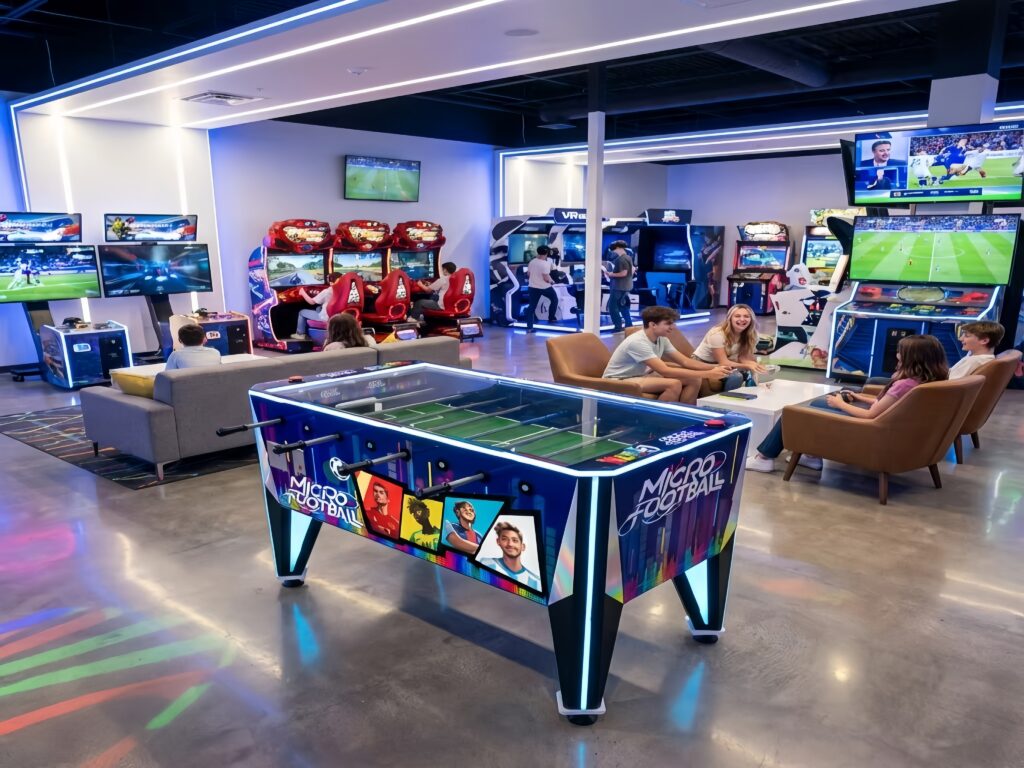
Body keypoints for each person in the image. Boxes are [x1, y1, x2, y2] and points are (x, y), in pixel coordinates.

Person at [746, 334, 949, 473]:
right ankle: (810, 455)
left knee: (794, 413)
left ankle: (764, 458)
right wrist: (859, 397)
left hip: (873, 428)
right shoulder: (928, 380)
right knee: (816, 405)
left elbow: (871, 416)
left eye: (900, 352)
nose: (896, 355)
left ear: (912, 357)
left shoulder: (904, 384)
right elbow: (889, 404)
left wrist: (839, 403)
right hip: (890, 427)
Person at [603, 305, 733, 404]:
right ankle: (663, 422)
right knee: (673, 384)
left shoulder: (662, 339)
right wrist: (708, 374)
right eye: (668, 323)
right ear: (652, 325)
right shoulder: (637, 342)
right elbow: (665, 371)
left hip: (640, 375)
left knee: (694, 379)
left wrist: (715, 368)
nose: (673, 327)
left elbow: (685, 362)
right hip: (619, 380)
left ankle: (685, 415)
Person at [692, 304, 768, 391]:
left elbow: (743, 357)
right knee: (736, 376)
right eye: (737, 316)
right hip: (703, 363)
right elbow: (723, 362)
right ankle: (727, 401)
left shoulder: (752, 335)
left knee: (749, 370)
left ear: (751, 319)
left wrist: (755, 365)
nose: (742, 319)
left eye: (746, 316)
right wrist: (747, 366)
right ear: (730, 318)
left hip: (727, 361)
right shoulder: (717, 334)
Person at [478, 521, 540, 590]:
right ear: (498, 541)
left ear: (523, 547)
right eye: (504, 539)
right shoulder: (486, 563)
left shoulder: (536, 581)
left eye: (515, 540)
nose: (510, 544)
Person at [291, 272, 341, 340]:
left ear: (331, 281)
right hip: (339, 315)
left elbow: (311, 302)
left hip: (326, 317)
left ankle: (300, 334)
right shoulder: (344, 290)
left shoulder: (327, 291)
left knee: (302, 312)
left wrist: (302, 292)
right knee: (318, 308)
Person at [524, 245, 558, 333]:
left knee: (532, 307)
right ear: (547, 253)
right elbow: (546, 278)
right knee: (554, 299)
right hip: (544, 287)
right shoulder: (545, 264)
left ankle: (529, 328)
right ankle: (551, 318)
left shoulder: (532, 262)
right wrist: (552, 282)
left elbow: (528, 274)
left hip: (532, 287)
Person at [603, 240, 635, 332]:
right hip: (627, 285)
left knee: (612, 307)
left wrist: (611, 274)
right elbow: (631, 271)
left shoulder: (620, 259)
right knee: (622, 305)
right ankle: (629, 325)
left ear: (617, 248)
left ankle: (618, 326)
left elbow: (623, 273)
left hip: (619, 286)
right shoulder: (628, 257)